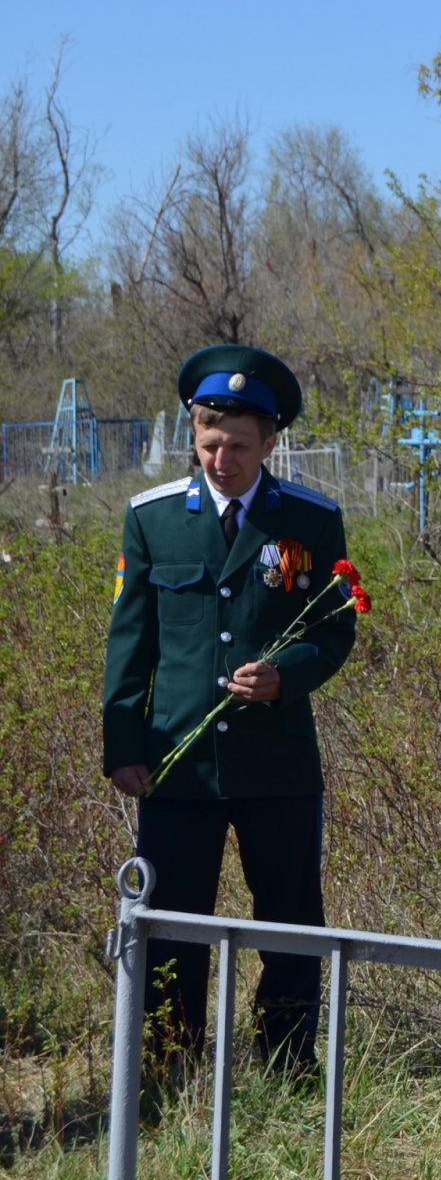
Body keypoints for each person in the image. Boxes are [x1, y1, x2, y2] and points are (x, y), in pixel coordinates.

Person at [103, 344, 355, 1074]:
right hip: (176, 764)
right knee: (173, 923)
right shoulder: (153, 519)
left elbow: (336, 625)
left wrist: (286, 674)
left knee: (291, 919)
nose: (223, 460)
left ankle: (286, 1060)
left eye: (240, 446)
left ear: (271, 442)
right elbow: (130, 639)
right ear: (193, 433)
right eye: (211, 443)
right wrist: (124, 743)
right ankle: (169, 1069)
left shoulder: (310, 519)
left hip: (277, 763)